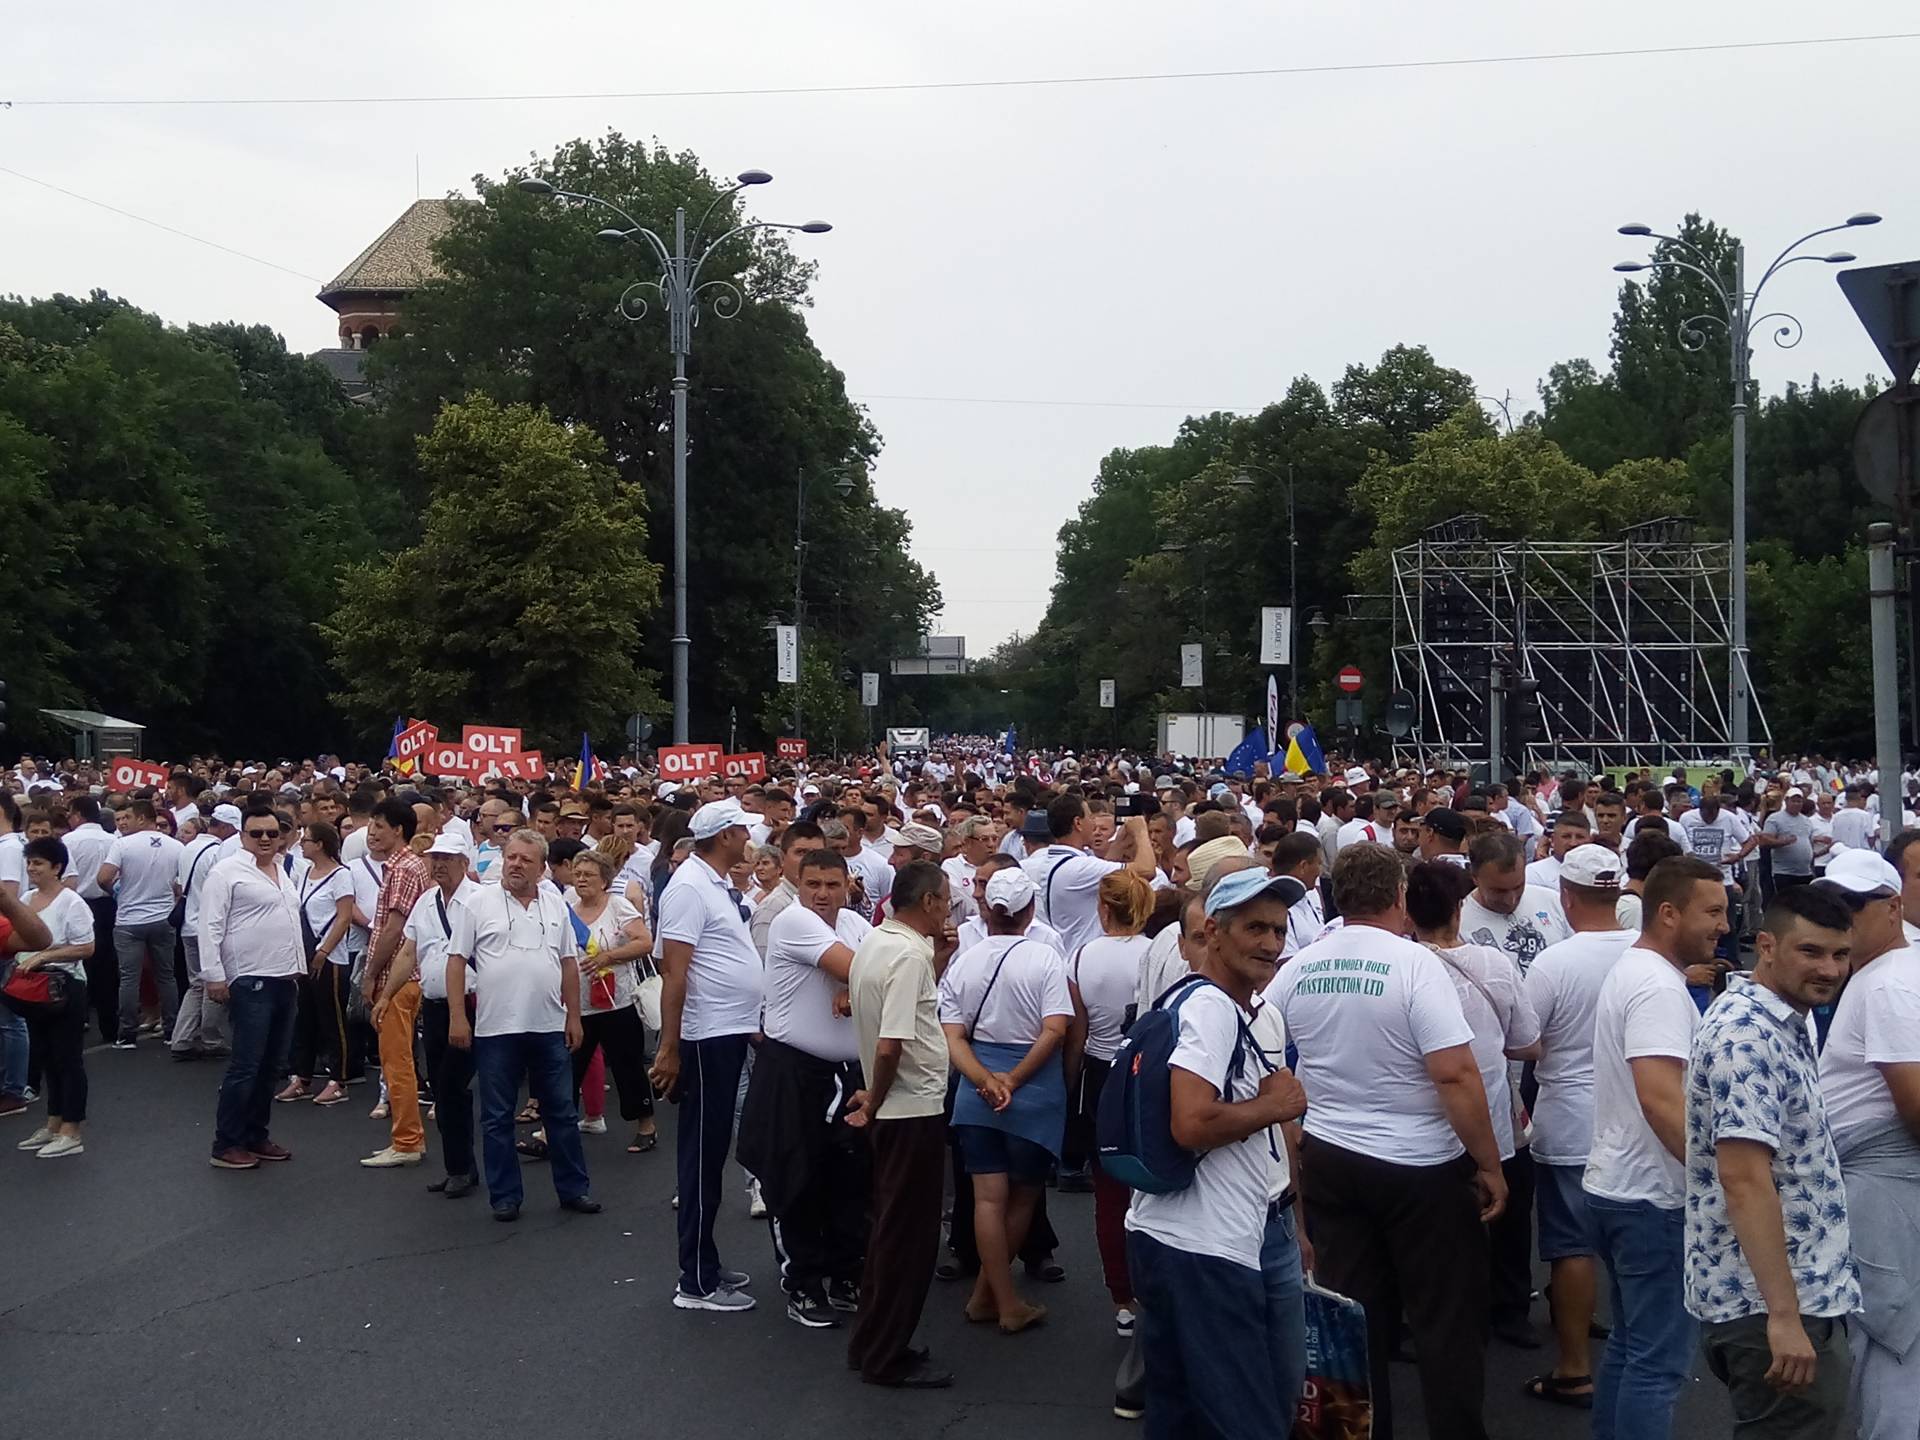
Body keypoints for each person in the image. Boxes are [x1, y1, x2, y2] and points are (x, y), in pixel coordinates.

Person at [1272, 840, 1507, 1440]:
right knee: (1445, 1321)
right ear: (1399, 897)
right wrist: (1489, 1163)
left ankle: (1358, 1434)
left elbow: (1267, 1054)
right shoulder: (1413, 964)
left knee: (1353, 1317)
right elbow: (1454, 1072)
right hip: (1420, 1165)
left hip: (1329, 1156)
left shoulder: (1299, 966)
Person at [1126, 865, 1311, 1437]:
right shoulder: (1209, 1008)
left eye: (1279, 931)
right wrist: (1275, 1106)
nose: (1271, 944)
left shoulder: (1228, 1006)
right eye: (1255, 928)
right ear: (1213, 931)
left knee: (1181, 1410)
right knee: (1246, 1417)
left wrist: (1295, 1225)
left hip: (1208, 1231)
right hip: (1206, 1243)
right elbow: (1192, 1121)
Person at [1687, 883, 1857, 1439]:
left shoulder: (1781, 1017)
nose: (1830, 969)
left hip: (1784, 1293)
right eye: (1810, 951)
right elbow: (1742, 1179)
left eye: (1840, 954)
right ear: (1765, 945)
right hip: (1773, 1304)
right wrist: (1784, 1317)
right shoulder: (1748, 1037)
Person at [1584, 854, 1727, 1440]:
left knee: (1631, 1348)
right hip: (1653, 1198)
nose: (1724, 925)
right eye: (1712, 911)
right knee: (1658, 1364)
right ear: (1668, 913)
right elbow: (1661, 1099)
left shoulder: (1636, 970)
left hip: (1618, 1187)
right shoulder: (1660, 988)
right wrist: (1718, 1184)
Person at [1405, 859, 1544, 1351]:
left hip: (1424, 1119)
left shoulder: (1401, 965)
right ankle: (1507, 1309)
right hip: (1489, 1108)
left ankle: (1428, 1314)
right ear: (1459, 909)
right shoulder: (1493, 963)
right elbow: (1527, 1042)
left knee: (1431, 1229)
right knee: (1509, 1211)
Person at [1521, 844, 1638, 1409]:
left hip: (1568, 1118)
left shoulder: (1555, 962)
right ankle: (1633, 1357)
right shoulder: (1646, 956)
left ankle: (1574, 1369)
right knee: (1631, 1241)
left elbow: (1523, 1039)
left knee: (1572, 1247)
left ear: (1566, 897)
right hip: (1636, 1119)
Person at [737, 846, 873, 1329]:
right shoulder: (793, 921)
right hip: (793, 1070)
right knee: (792, 1180)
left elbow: (871, 972)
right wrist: (855, 981)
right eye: (813, 884)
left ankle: (845, 1273)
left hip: (846, 1073)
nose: (822, 894)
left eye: (832, 885)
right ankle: (803, 1283)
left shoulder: (856, 927)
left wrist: (854, 983)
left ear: (847, 885)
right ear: (800, 884)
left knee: (848, 1182)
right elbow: (873, 973)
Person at [939, 867, 1072, 1335]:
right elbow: (1055, 1029)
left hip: (977, 1086)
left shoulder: (965, 959)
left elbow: (952, 1035)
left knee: (986, 1199)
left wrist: (985, 1079)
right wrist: (1012, 1080)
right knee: (1023, 1195)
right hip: (1033, 1085)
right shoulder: (1045, 956)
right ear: (1029, 910)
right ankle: (1002, 1301)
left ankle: (988, 1295)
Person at [1815, 847, 1920, 1434]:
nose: (1842, 916)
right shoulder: (1887, 976)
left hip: (1886, 1181)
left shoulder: (1888, 985)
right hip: (1879, 1175)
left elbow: (1916, 1105)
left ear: (1892, 907)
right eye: (1834, 904)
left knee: (1891, 1332)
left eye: (1856, 905)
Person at [845, 859, 959, 1389]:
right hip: (909, 1109)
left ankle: (871, 1342)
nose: (951, 908)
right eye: (947, 899)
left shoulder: (878, 942)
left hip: (895, 1104)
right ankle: (885, 1354)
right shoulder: (908, 954)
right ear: (930, 902)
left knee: (891, 1230)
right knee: (907, 1239)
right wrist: (877, 1098)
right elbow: (893, 1042)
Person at [446, 828, 599, 1222]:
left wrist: (574, 1016)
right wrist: (458, 1017)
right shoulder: (477, 903)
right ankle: (506, 1197)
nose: (515, 864)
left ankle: (574, 1189)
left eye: (525, 859)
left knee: (562, 1112)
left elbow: (568, 962)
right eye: (511, 857)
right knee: (497, 1117)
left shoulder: (554, 904)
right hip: (496, 1028)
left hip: (548, 1025)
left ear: (542, 867)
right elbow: (456, 960)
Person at [652, 798, 765, 1310]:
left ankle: (707, 1261)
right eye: (743, 830)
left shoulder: (710, 884)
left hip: (727, 1030)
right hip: (707, 1037)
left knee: (712, 1151)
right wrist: (670, 1046)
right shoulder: (690, 889)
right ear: (724, 837)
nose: (749, 838)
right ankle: (695, 1280)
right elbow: (674, 971)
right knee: (702, 1156)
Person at [198, 804, 307, 1170]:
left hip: (285, 978)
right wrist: (213, 974)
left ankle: (256, 1134)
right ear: (243, 836)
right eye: (256, 833)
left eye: (272, 834)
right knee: (246, 1064)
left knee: (271, 1064)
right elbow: (209, 925)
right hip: (250, 979)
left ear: (282, 836)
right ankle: (226, 1142)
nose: (265, 840)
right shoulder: (226, 872)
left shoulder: (283, 870)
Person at [1063, 870, 1155, 1218]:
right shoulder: (1154, 952)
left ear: (1104, 909)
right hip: (1144, 1069)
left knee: (1107, 1185)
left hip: (1099, 1072)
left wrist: (1070, 1084)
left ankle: (1115, 1272)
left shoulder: (1082, 956)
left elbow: (1077, 1034)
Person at [408, 832, 483, 1197]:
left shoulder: (481, 901)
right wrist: (384, 993)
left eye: (447, 858)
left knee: (454, 1086)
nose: (438, 864)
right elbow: (410, 951)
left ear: (464, 863)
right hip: (433, 1004)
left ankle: (462, 1168)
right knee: (441, 1087)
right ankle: (460, 1164)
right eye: (434, 857)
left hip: (470, 1004)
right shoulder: (425, 901)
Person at [566, 847, 655, 1154]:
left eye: (589, 875)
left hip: (616, 1002)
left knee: (626, 1065)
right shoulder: (566, 905)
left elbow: (645, 942)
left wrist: (608, 956)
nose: (581, 880)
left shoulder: (618, 906)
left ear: (605, 880)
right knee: (568, 1067)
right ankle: (554, 1131)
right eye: (577, 874)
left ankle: (646, 1125)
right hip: (578, 1004)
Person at [12, 837, 95, 1155]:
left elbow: (87, 947)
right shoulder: (27, 898)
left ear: (57, 868)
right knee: (46, 1056)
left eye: (38, 863)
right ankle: (53, 1123)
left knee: (68, 1058)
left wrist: (44, 957)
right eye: (29, 862)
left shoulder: (72, 902)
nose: (31, 868)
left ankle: (72, 1130)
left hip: (66, 988)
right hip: (33, 990)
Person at [362, 799, 429, 1143]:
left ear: (398, 830)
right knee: (399, 1059)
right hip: (405, 975)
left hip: (397, 977)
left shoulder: (402, 868)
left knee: (396, 1062)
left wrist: (371, 974)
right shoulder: (409, 865)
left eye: (379, 826)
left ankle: (407, 1140)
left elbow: (393, 928)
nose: (371, 833)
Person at [278, 822, 357, 1107]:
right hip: (305, 953)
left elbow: (344, 917)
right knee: (305, 1018)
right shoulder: (306, 873)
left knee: (332, 1019)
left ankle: (339, 1079)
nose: (302, 844)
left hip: (330, 955)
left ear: (320, 844)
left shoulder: (341, 876)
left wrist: (324, 949)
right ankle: (303, 1075)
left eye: (307, 840)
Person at [97, 798, 184, 1048]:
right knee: (166, 976)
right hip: (163, 916)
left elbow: (103, 877)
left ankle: (127, 1034)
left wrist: (115, 891)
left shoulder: (123, 845)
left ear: (141, 818)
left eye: (130, 818)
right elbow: (180, 884)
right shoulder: (175, 846)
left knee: (129, 978)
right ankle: (171, 1029)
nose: (126, 822)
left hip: (129, 918)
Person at [1021, 793, 1155, 953]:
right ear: (1078, 823)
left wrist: (1120, 841)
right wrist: (1141, 831)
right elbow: (1147, 870)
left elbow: (1105, 869)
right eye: (1090, 818)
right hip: (1083, 955)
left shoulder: (1057, 861)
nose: (1094, 824)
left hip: (1072, 954)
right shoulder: (1078, 868)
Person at [170, 802, 236, 1060]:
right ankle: (211, 1038)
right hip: (207, 925)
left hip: (188, 923)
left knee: (196, 983)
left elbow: (177, 885)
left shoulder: (190, 848)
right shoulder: (217, 853)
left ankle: (182, 1038)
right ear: (226, 827)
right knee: (212, 980)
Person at [1460, 830, 1570, 977]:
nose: (1511, 899)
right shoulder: (1459, 924)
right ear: (1475, 877)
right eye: (1499, 891)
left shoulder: (1553, 901)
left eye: (1518, 887)